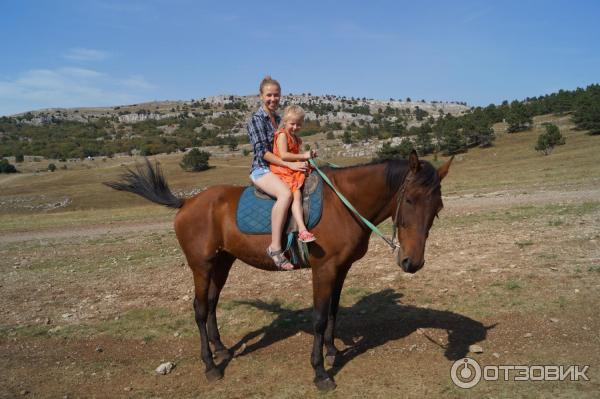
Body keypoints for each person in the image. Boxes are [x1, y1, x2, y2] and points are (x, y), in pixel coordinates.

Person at [246, 76, 308, 271]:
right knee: (285, 194)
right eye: (269, 95)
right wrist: (291, 165)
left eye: (276, 95)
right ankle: (275, 247)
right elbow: (263, 152)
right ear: (261, 96)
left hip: (281, 168)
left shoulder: (281, 120)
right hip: (262, 169)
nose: (273, 99)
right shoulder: (256, 120)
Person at [270, 105, 317, 243]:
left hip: (292, 168)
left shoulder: (296, 138)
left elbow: (295, 155)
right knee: (296, 195)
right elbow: (284, 155)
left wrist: (308, 158)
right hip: (283, 170)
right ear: (285, 121)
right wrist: (303, 155)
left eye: (299, 124)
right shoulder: (283, 135)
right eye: (292, 124)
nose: (295, 127)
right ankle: (302, 230)